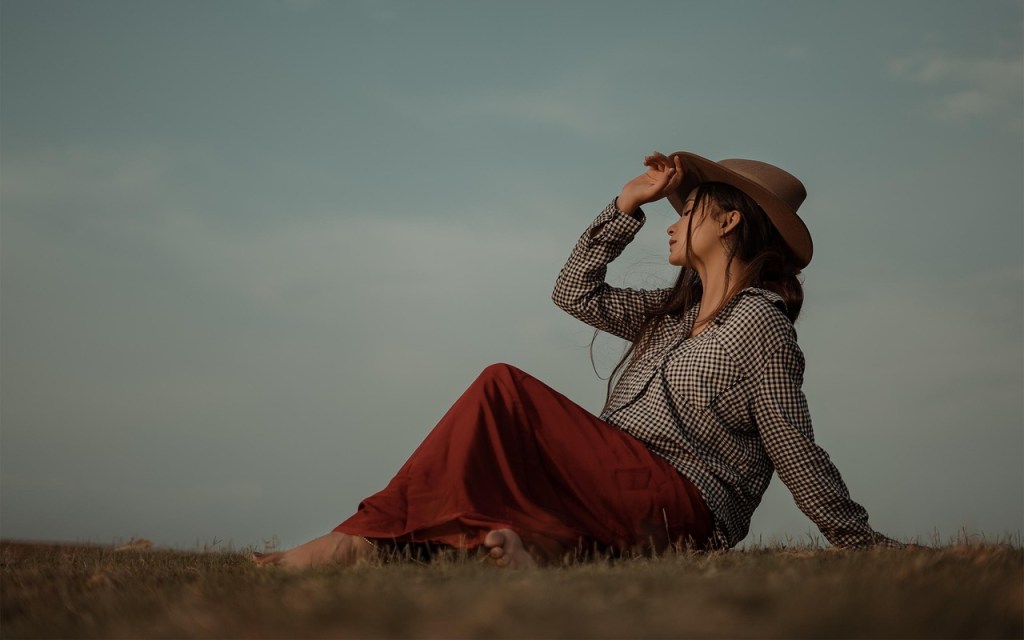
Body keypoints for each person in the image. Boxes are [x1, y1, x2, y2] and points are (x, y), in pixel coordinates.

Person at [252, 151, 898, 569]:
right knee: (492, 503)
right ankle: (437, 549)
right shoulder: (667, 314)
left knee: (503, 388)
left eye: (686, 213)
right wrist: (625, 208)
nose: (670, 226)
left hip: (684, 501)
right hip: (618, 490)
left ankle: (356, 541)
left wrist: (854, 537)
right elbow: (574, 292)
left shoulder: (759, 323)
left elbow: (793, 442)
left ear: (729, 222)